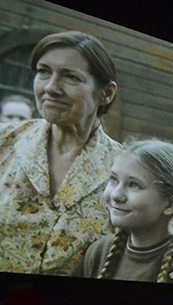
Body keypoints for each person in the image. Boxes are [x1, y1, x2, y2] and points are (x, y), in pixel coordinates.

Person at [0, 31, 119, 276]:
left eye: (71, 77)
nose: (51, 88)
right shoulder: (5, 142)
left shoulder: (128, 169)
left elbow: (167, 249)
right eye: (43, 72)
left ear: (106, 94)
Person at [82, 139, 173, 284]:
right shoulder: (99, 252)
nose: (115, 195)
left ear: (171, 204)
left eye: (134, 185)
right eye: (114, 179)